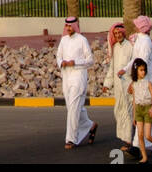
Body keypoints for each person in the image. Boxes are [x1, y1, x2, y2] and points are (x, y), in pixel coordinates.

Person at [56, 17, 98, 150]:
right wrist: (61, 62)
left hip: (78, 76)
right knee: (72, 107)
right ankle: (90, 125)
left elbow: (90, 60)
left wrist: (75, 62)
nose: (68, 28)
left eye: (70, 26)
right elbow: (58, 56)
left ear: (75, 26)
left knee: (74, 107)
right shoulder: (63, 40)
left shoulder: (82, 40)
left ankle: (71, 139)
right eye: (66, 26)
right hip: (66, 76)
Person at [129, 15, 152, 155]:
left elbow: (142, 63)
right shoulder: (140, 39)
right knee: (151, 113)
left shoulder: (145, 42)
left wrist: (134, 80)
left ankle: (137, 146)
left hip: (146, 79)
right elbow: (135, 60)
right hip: (142, 79)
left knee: (147, 110)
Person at [103, 21, 134, 146]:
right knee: (118, 111)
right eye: (115, 33)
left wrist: (133, 83)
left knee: (127, 111)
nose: (117, 35)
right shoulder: (115, 48)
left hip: (128, 84)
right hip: (117, 86)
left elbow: (133, 65)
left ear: (123, 33)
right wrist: (107, 83)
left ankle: (128, 141)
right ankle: (124, 137)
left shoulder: (130, 46)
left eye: (119, 33)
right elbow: (112, 68)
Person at [128, 58, 152, 162]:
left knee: (147, 135)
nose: (143, 72)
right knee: (140, 135)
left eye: (144, 70)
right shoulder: (134, 85)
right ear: (136, 71)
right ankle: (144, 157)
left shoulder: (148, 83)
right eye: (141, 70)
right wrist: (134, 116)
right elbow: (134, 101)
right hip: (138, 110)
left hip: (148, 109)